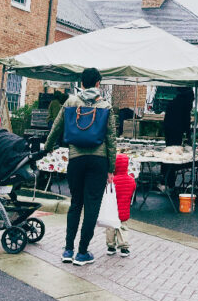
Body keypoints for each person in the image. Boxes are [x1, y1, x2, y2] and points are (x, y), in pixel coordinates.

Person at [45, 67, 116, 266]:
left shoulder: (70, 102)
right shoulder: (105, 106)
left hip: (76, 158)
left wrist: (48, 148)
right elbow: (111, 138)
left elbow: (56, 126)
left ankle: (68, 249)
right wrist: (111, 167)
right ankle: (82, 252)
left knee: (76, 203)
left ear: (81, 84)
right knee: (92, 205)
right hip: (98, 160)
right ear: (98, 84)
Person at [161, 88, 194, 190]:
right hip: (176, 133)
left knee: (169, 155)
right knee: (174, 157)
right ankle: (169, 182)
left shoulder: (172, 102)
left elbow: (166, 120)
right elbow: (186, 121)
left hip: (169, 132)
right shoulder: (185, 104)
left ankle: (167, 180)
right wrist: (188, 135)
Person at [106, 154, 135, 257]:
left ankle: (111, 247)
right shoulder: (131, 180)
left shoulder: (112, 181)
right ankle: (124, 248)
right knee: (122, 228)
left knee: (110, 228)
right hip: (124, 210)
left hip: (112, 210)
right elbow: (132, 190)